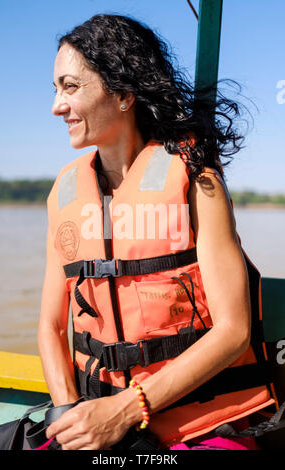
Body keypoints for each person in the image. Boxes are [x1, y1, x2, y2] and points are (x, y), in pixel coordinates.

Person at [38, 14, 275, 450]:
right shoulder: (63, 193)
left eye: (70, 87)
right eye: (55, 89)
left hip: (202, 424)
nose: (57, 105)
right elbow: (51, 328)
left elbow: (234, 329)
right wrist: (73, 417)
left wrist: (126, 409)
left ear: (124, 92)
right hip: (99, 422)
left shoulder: (195, 177)